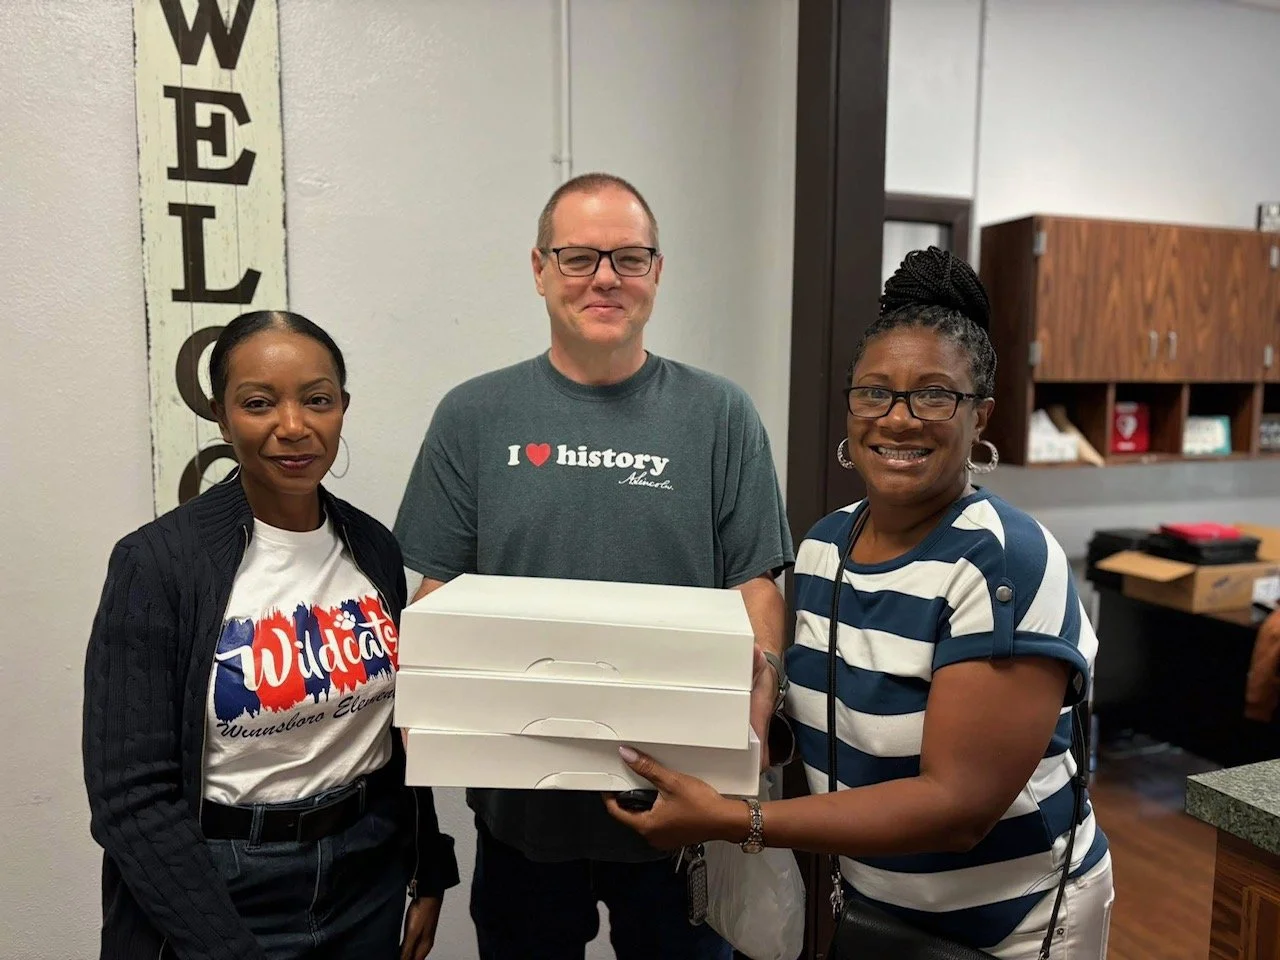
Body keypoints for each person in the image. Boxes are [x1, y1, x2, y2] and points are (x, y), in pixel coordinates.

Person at [606, 248, 1114, 959]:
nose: (898, 420)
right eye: (875, 393)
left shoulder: (1003, 562)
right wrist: (745, 724)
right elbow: (839, 722)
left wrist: (735, 819)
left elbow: (955, 809)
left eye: (934, 396)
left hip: (1017, 925)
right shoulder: (824, 547)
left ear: (981, 416)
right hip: (880, 907)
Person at [392, 172, 795, 960]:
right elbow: (439, 589)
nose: (605, 278)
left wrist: (762, 687)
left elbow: (755, 582)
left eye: (628, 257)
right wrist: (424, 698)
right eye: (578, 257)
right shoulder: (474, 415)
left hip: (679, 802)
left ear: (657, 271)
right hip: (521, 807)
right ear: (539, 269)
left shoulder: (720, 415)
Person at [82, 311, 460, 960]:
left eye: (318, 400)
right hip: (224, 889)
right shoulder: (159, 564)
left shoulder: (372, 546)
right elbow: (130, 798)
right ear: (221, 417)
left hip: (366, 876)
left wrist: (429, 865)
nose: (293, 426)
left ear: (342, 408)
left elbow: (396, 732)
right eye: (259, 403)